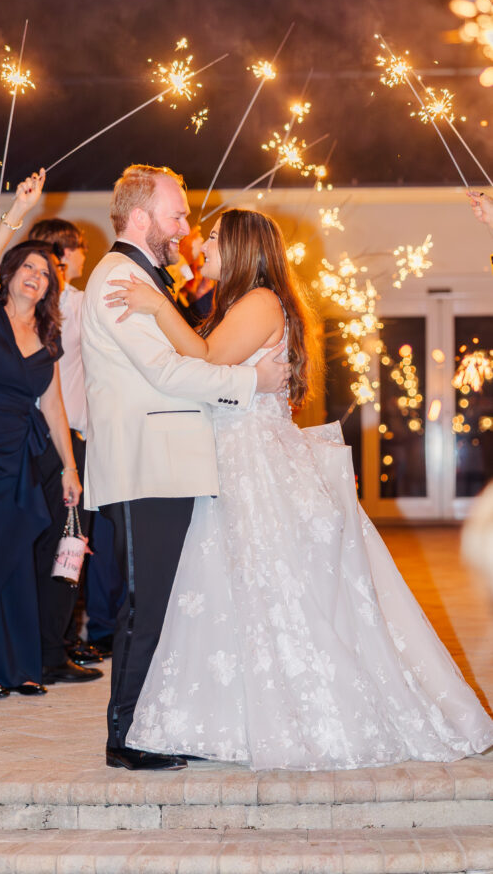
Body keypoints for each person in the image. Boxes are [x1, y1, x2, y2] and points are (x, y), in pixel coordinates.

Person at [105, 207, 493, 770]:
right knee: (236, 594)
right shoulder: (245, 303)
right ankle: (234, 717)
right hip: (238, 460)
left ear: (240, 248)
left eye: (213, 238)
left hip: (254, 465)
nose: (201, 246)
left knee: (274, 593)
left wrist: (155, 305)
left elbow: (210, 359)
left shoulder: (260, 301)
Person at [80, 164, 290, 771]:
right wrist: (252, 381)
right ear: (141, 217)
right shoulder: (119, 276)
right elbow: (167, 372)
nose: (185, 227)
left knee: (166, 603)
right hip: (149, 463)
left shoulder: (143, 277)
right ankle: (128, 737)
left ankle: (149, 725)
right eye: (176, 214)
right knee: (149, 604)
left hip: (167, 462)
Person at [0, 238, 101, 696]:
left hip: (25, 454)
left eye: (45, 275)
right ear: (10, 271)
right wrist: (17, 209)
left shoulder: (46, 331)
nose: (37, 278)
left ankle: (19, 665)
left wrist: (69, 470)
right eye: (30, 268)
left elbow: (53, 407)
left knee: (20, 559)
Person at [29, 217, 121, 664]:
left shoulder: (67, 304)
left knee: (65, 543)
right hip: (54, 441)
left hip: (61, 440)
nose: (86, 255)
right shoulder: (67, 304)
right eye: (80, 247)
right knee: (62, 543)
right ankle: (52, 643)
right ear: (63, 253)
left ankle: (57, 638)